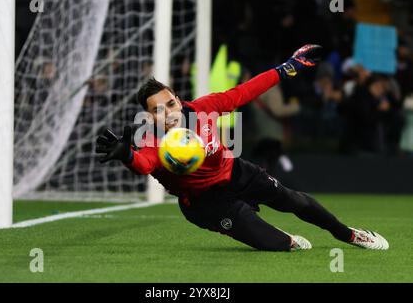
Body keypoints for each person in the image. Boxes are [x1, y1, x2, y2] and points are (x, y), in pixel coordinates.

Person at [96, 45, 389, 251]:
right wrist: (127, 155)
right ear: (150, 117)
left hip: (236, 172)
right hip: (205, 203)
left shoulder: (202, 109)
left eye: (170, 103)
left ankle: (349, 234)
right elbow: (144, 164)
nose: (168, 112)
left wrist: (286, 69)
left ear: (178, 99)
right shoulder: (152, 140)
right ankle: (274, 236)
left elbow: (243, 92)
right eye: (158, 110)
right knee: (276, 244)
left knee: (296, 201)